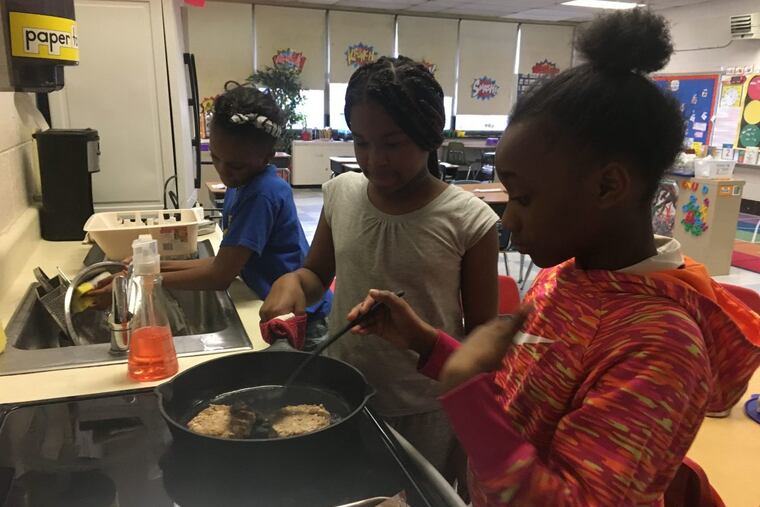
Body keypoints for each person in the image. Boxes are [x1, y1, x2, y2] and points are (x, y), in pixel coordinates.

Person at [346, 10, 760, 506]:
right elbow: (518, 400)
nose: (509, 221)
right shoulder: (563, 279)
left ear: (608, 186)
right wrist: (424, 342)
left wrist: (464, 393)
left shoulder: (661, 347)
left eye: (523, 199)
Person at [260, 57, 500, 480]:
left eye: (392, 143)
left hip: (423, 411)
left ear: (429, 136)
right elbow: (316, 275)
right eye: (362, 142)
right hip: (339, 396)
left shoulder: (469, 220)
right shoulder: (342, 193)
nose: (375, 159)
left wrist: (469, 439)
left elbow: (483, 346)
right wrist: (292, 282)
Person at [94, 84, 332, 349]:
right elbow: (223, 263)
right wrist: (149, 267)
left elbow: (220, 275)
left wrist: (140, 281)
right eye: (216, 158)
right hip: (278, 306)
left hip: (302, 316)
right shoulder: (241, 184)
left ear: (268, 155)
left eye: (236, 165)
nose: (224, 171)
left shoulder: (262, 194)